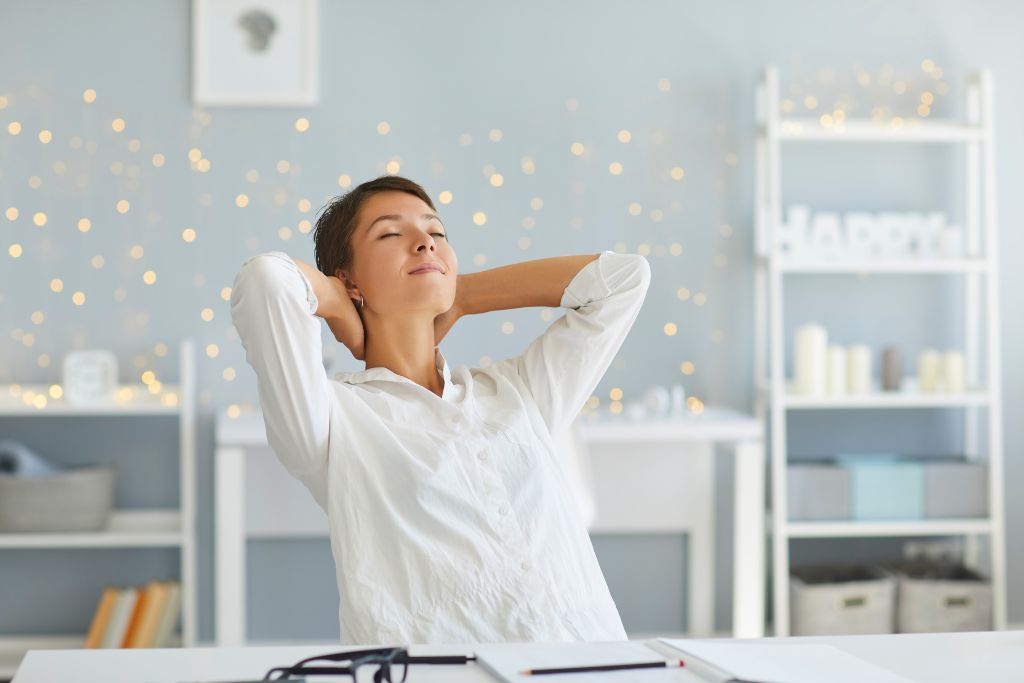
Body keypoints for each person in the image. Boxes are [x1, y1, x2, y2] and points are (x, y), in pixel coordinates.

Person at [230, 174, 651, 645]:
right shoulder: (332, 421)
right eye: (391, 233)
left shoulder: (519, 393)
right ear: (347, 278)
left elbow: (624, 279)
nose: (424, 244)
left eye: (437, 234)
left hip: (594, 665)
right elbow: (264, 281)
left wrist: (466, 294)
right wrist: (335, 304)